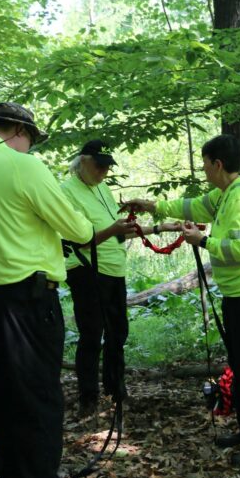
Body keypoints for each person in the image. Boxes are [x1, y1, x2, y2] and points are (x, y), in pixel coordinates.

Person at [0, 103, 134, 478]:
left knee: (1, 403)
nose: (30, 147)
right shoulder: (21, 166)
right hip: (25, 302)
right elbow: (80, 231)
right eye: (30, 139)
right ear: (16, 130)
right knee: (39, 402)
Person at [123, 134, 240, 468]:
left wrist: (204, 240)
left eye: (206, 163)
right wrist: (152, 205)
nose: (205, 170)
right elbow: (193, 206)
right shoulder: (224, 194)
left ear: (217, 164)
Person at [61, 139, 147, 416]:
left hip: (114, 268)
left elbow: (118, 231)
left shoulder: (103, 189)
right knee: (91, 333)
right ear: (82, 161)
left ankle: (115, 388)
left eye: (107, 168)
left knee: (118, 331)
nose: (103, 173)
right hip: (86, 270)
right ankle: (88, 397)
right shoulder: (66, 192)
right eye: (99, 166)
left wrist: (157, 227)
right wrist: (113, 230)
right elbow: (80, 239)